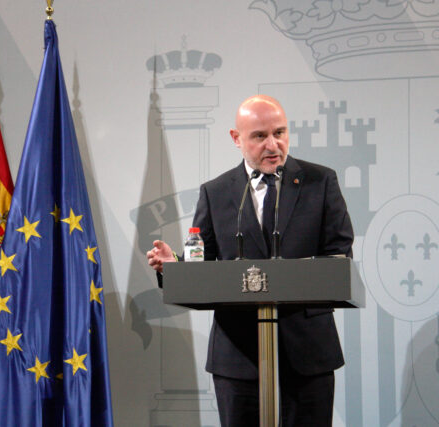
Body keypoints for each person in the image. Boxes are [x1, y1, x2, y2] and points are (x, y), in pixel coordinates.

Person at [146, 95, 353, 426]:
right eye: (259, 136)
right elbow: (203, 267)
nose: (273, 145)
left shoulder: (320, 181)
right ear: (236, 138)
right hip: (238, 354)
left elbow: (339, 254)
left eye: (279, 133)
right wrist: (175, 268)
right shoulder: (216, 192)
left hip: (307, 350)